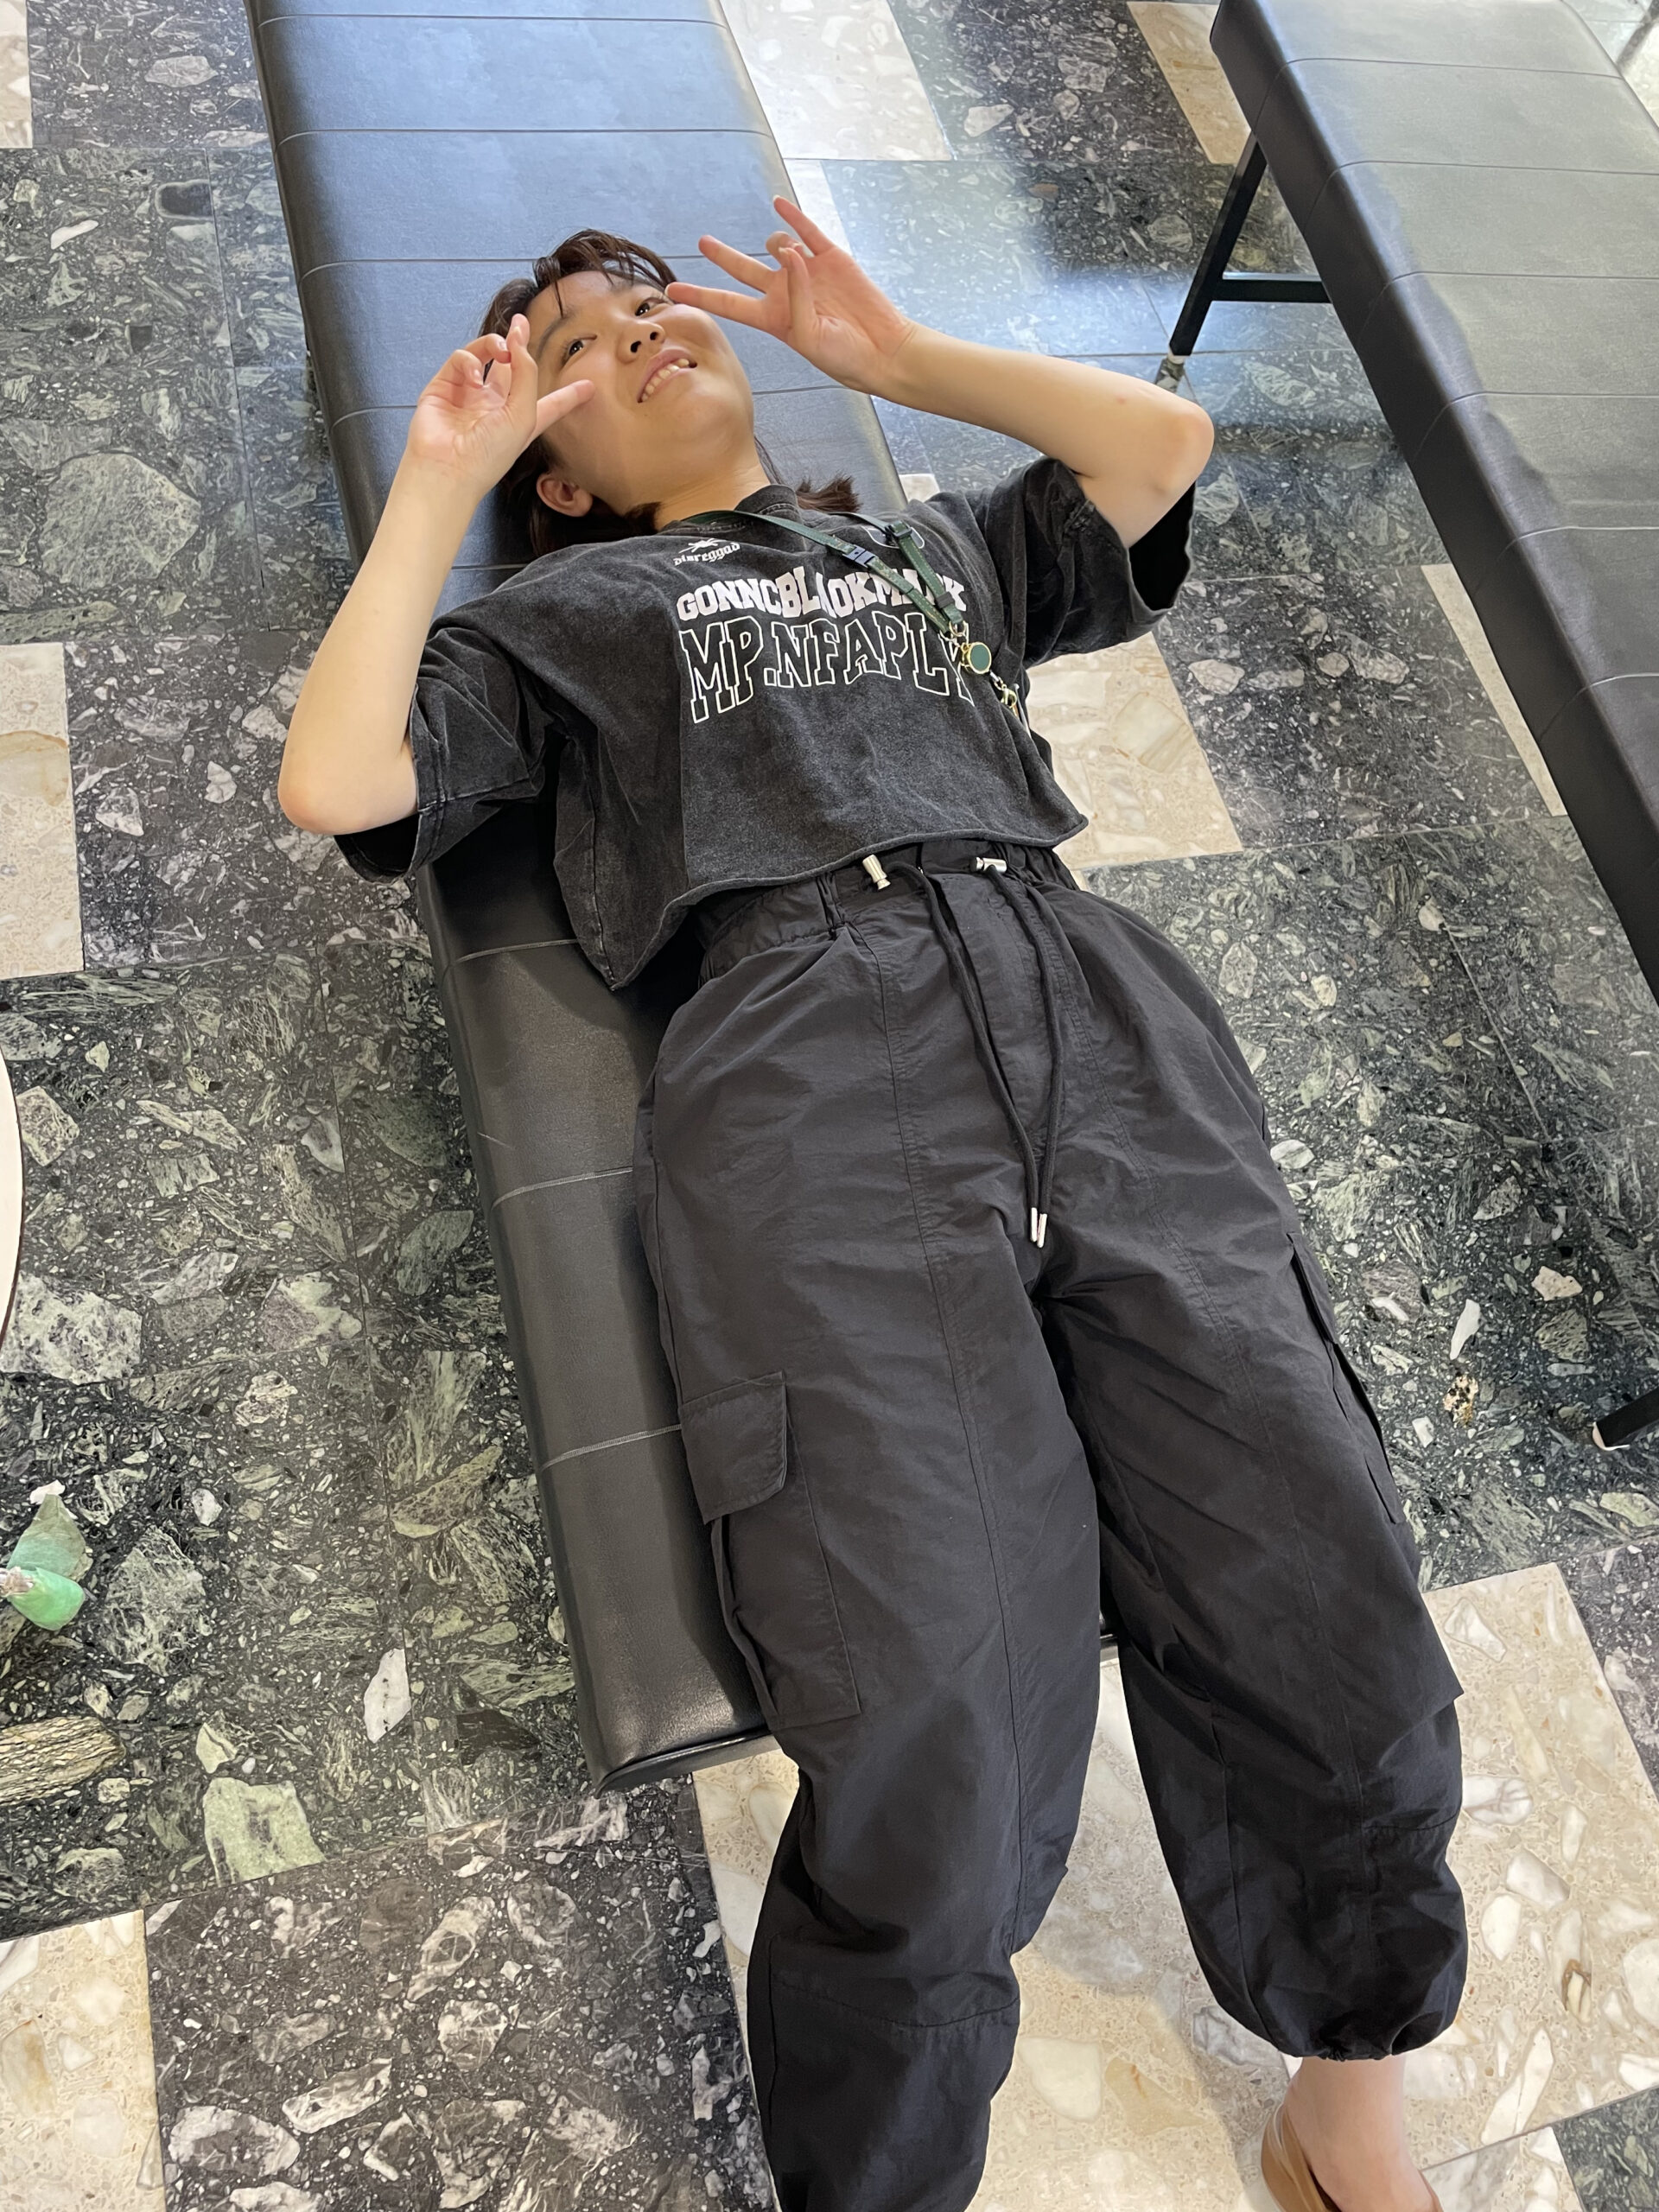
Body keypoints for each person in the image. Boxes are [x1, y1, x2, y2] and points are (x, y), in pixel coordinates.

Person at [277, 198, 1467, 2212]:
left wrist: (901, 362)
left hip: (1090, 1001)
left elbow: (1163, 447)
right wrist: (438, 482)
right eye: (584, 343)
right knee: (933, 1696)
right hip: (809, 1057)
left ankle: (1348, 2085)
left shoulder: (928, 551)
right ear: (559, 469)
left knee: (1321, 1566)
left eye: (653, 306)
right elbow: (337, 778)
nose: (643, 333)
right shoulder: (566, 621)